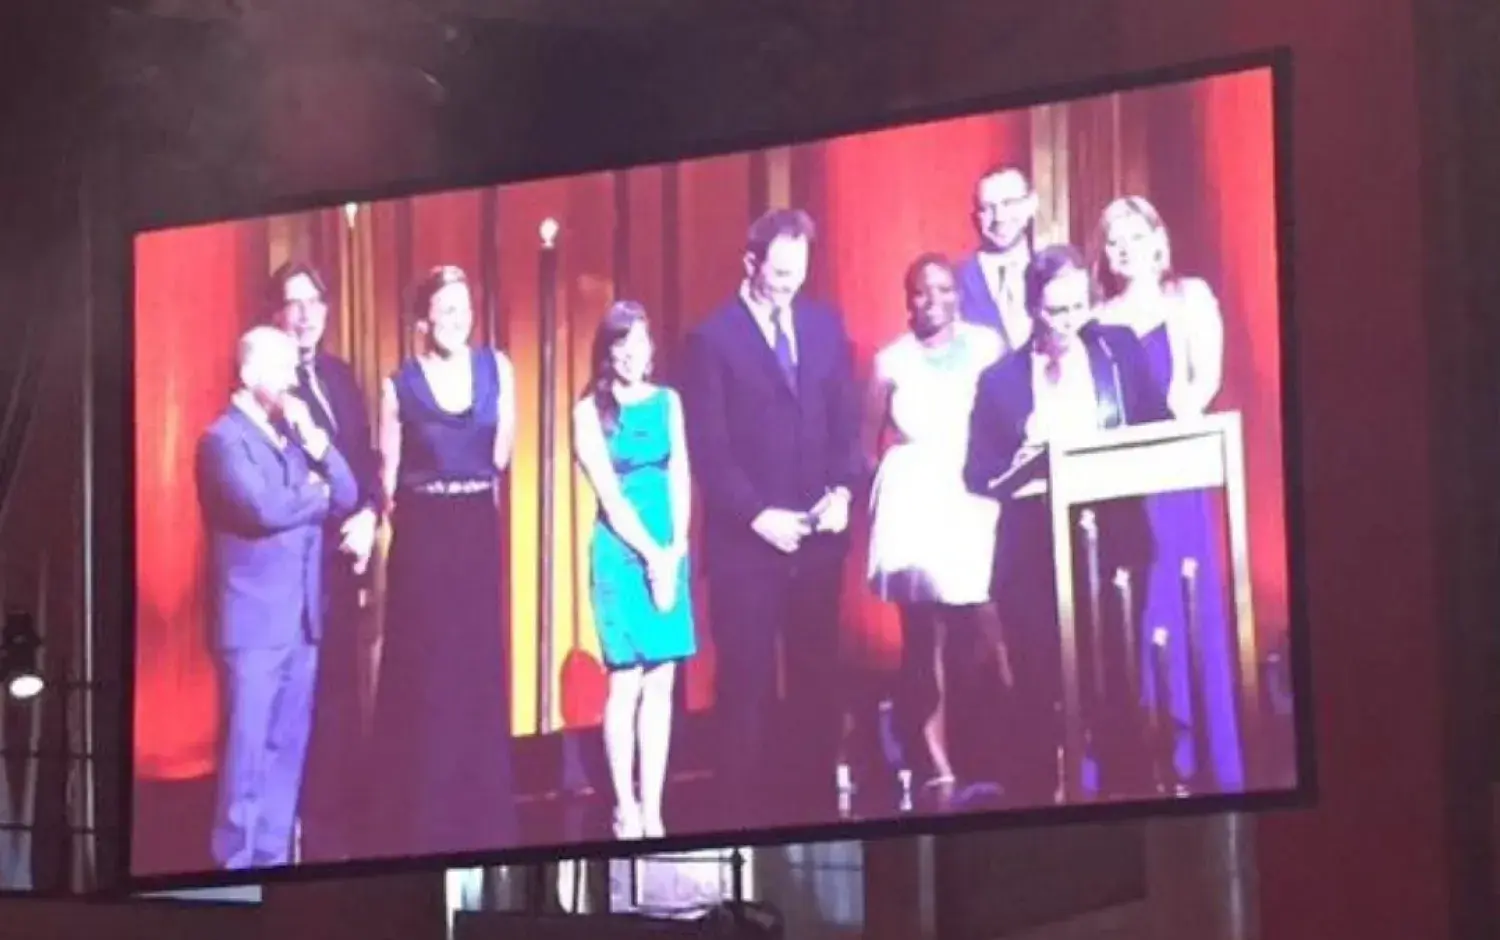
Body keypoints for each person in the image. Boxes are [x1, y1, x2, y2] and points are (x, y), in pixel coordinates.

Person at [963, 245, 1170, 803]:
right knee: (1036, 689)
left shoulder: (1117, 349)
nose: (1070, 322)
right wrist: (1020, 460)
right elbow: (977, 474)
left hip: (1115, 539)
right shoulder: (1000, 379)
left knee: (1116, 682)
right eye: (1056, 312)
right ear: (1032, 308)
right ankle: (1036, 808)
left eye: (1079, 307)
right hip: (1032, 552)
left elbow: (1159, 426)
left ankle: (1130, 796)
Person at [681, 208, 863, 830]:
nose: (790, 283)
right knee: (747, 691)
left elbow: (847, 423)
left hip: (818, 543)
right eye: (779, 272)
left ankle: (812, 820)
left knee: (817, 686)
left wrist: (843, 490)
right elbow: (711, 448)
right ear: (750, 264)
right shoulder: (711, 339)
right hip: (748, 550)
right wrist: (759, 516)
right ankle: (740, 825)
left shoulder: (824, 324)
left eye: (799, 271)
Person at [365, 264, 518, 857]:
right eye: (446, 310)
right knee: (428, 673)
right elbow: (390, 476)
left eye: (464, 309)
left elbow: (500, 454)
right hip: (424, 535)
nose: (458, 320)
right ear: (423, 319)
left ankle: (480, 818)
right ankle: (421, 820)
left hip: (476, 526)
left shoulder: (497, 369)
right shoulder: (397, 385)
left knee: (476, 667)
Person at [1093, 196, 1244, 791]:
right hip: (1120, 486)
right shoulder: (1097, 319)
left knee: (1184, 595)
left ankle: (1200, 747)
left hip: (1177, 473)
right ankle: (1147, 753)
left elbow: (1204, 378)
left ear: (1159, 239)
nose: (1125, 247)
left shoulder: (1191, 298)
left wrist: (1172, 423)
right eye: (1113, 239)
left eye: (1136, 234)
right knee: (1134, 604)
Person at [196, 325, 357, 869]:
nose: (294, 380)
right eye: (284, 369)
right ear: (249, 373)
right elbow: (262, 509)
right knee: (246, 763)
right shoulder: (221, 441)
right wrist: (314, 494)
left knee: (286, 756)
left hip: (301, 626)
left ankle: (273, 866)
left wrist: (316, 442)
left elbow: (349, 493)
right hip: (254, 629)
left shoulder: (291, 438)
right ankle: (234, 874)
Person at [863, 253, 1009, 796]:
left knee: (988, 619)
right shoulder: (891, 362)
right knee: (925, 636)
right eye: (921, 292)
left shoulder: (986, 347)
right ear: (909, 301)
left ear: (957, 294)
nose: (933, 301)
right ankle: (936, 763)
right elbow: (867, 441)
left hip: (973, 490)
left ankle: (997, 746)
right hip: (917, 497)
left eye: (943, 289)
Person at [265, 260, 381, 863]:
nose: (305, 314)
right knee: (299, 704)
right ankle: (299, 836)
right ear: (275, 314)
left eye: (314, 301)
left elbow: (365, 458)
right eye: (293, 302)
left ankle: (338, 836)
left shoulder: (340, 376)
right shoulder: (269, 388)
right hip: (298, 563)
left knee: (341, 695)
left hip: (347, 560)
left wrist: (369, 515)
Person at [573, 301, 696, 840]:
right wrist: (651, 556)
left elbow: (682, 479)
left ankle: (655, 808)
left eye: (639, 342)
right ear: (607, 350)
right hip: (620, 554)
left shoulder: (669, 402)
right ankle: (624, 806)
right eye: (620, 343)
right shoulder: (587, 412)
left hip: (669, 547)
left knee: (662, 682)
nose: (631, 353)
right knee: (625, 681)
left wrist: (675, 552)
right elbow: (610, 498)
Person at [955, 166, 1039, 352]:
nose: (1000, 217)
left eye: (1008, 203)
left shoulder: (1053, 272)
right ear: (976, 217)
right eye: (988, 208)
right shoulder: (956, 282)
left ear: (1032, 204)